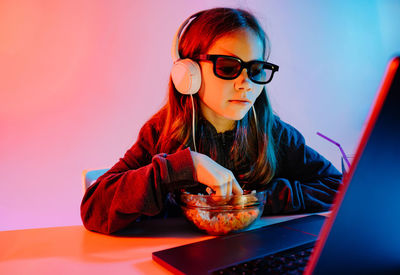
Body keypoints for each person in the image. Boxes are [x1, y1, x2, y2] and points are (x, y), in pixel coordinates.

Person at [81, 7, 342, 234]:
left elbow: (338, 186)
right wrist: (183, 167)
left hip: (250, 256)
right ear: (189, 73)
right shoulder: (160, 132)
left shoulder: (273, 133)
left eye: (255, 70)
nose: (246, 84)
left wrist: (257, 200)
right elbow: (94, 209)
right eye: (228, 67)